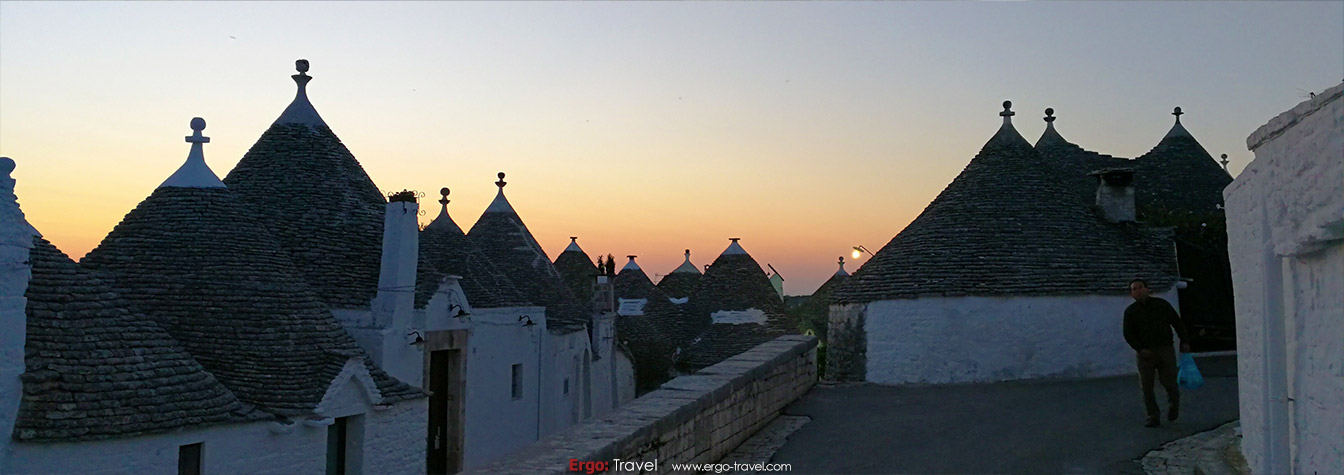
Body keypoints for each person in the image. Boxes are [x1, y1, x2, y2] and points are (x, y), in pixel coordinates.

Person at [1123, 278, 1192, 428]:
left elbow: (1177, 323)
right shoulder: (1131, 312)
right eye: (1134, 289)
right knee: (1146, 386)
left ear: (1148, 289)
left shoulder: (1162, 305)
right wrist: (1140, 350)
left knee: (1170, 381)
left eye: (1140, 287)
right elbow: (1128, 334)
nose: (1138, 291)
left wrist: (1184, 341)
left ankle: (1174, 404)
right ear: (1131, 294)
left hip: (1165, 348)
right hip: (1145, 352)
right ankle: (1152, 415)